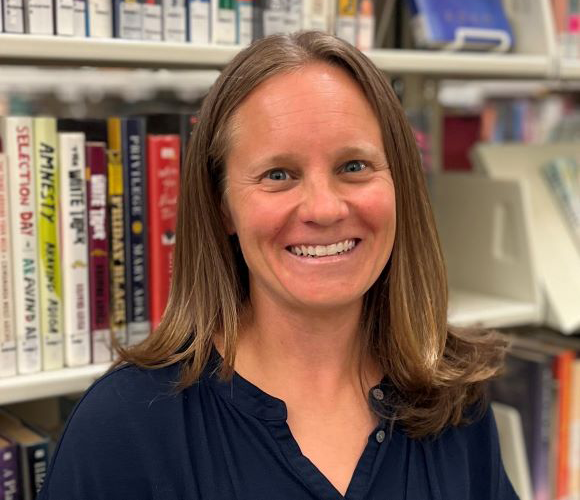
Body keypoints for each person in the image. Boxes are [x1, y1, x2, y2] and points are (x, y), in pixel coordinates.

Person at [38, 31, 519, 500]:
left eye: (353, 166)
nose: (324, 208)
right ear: (222, 205)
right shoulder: (125, 426)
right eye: (279, 175)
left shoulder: (453, 399)